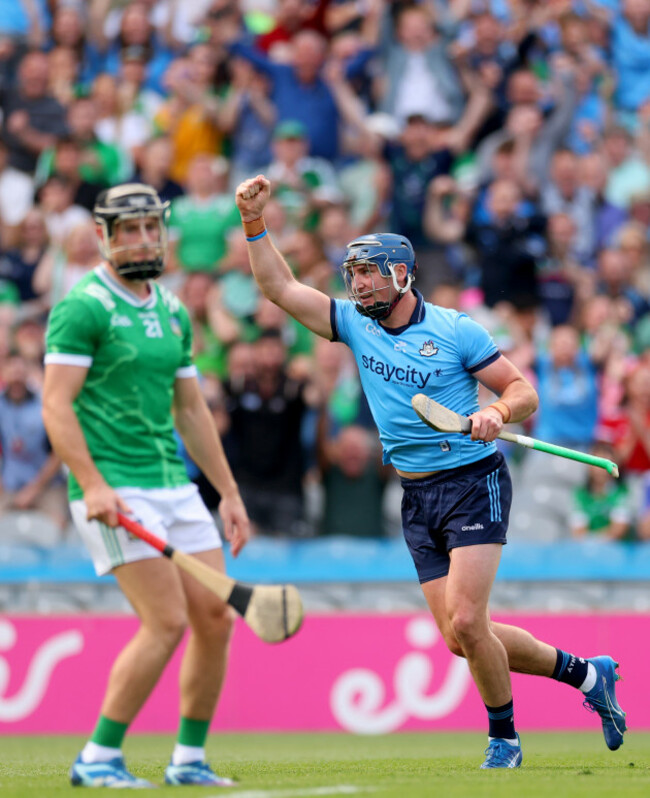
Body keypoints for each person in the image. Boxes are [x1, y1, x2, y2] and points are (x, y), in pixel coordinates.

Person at [235, 174, 627, 769]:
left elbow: (525, 390)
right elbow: (279, 287)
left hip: (473, 481)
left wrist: (494, 411)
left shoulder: (454, 330)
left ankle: (505, 740)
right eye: (354, 273)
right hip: (415, 494)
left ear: (402, 273)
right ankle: (586, 674)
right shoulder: (354, 323)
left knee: (470, 621)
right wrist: (253, 223)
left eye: (370, 270)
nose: (359, 282)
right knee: (459, 636)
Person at [42, 183, 250, 788]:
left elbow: (191, 410)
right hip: (113, 489)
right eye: (126, 230)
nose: (141, 240)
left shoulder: (173, 308)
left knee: (215, 618)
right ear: (103, 237)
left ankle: (189, 760)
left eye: (150, 228)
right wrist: (91, 485)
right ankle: (98, 756)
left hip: (174, 485)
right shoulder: (82, 307)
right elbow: (58, 407)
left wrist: (228, 493)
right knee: (165, 621)